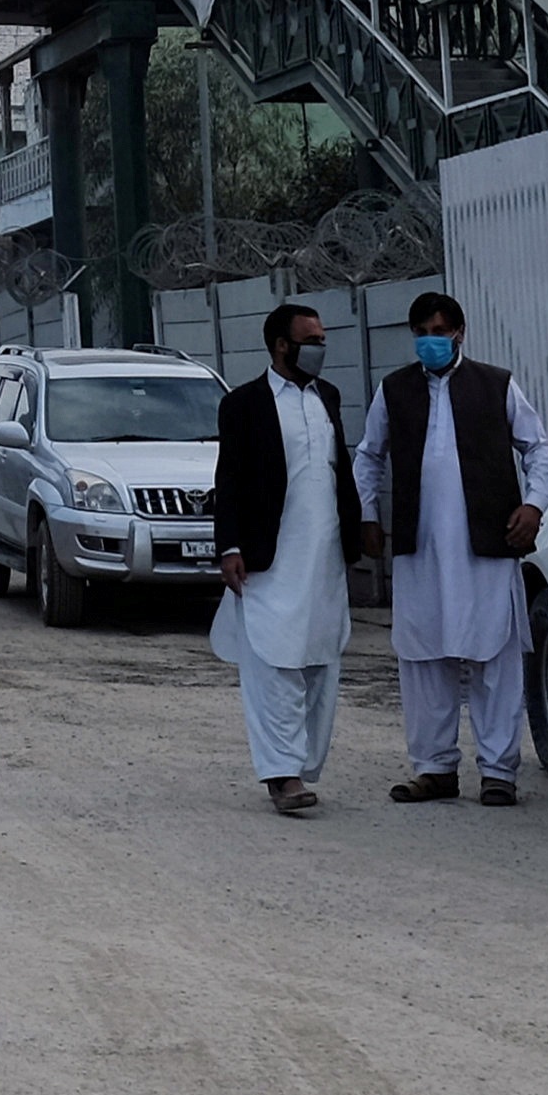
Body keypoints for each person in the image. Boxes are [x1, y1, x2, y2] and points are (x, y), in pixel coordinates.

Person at [356, 288, 548, 806]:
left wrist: (534, 506)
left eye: (439, 332)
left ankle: (498, 771)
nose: (430, 342)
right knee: (423, 657)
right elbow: (368, 456)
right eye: (421, 334)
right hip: (421, 550)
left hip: (486, 544)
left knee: (494, 654)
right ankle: (434, 769)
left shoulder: (496, 385)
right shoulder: (395, 390)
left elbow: (538, 449)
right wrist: (367, 515)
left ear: (459, 333)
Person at [213, 302, 358, 814]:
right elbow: (227, 480)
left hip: (325, 559)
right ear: (281, 345)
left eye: (321, 338)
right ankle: (282, 774)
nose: (320, 347)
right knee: (272, 663)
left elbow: (340, 473)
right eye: (311, 339)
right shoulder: (245, 405)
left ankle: (303, 764)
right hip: (268, 559)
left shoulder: (329, 398)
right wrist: (228, 546)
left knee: (319, 662)